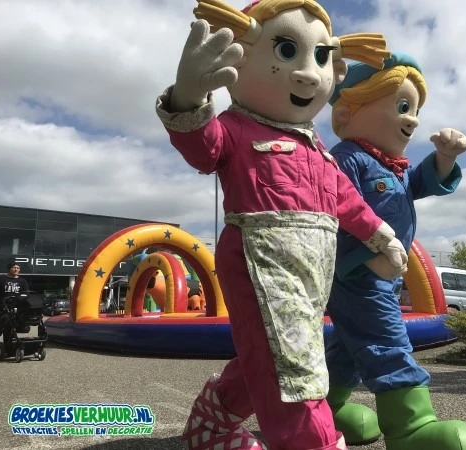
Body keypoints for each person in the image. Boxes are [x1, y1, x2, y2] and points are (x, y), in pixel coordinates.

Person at [155, 1, 409, 448]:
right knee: (293, 364)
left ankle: (212, 422)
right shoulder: (236, 128)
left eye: (321, 56)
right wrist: (187, 99)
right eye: (287, 51)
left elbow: (346, 200)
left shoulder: (318, 148)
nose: (308, 74)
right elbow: (202, 149)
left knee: (273, 351)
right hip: (261, 264)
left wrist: (380, 235)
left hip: (310, 275)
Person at [324, 54, 466, 449]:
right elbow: (338, 206)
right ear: (348, 112)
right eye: (401, 106)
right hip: (357, 274)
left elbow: (422, 181)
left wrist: (445, 157)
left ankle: (325, 410)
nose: (412, 120)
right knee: (387, 340)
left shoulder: (391, 168)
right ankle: (410, 428)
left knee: (348, 345)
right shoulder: (348, 158)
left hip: (382, 275)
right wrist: (369, 252)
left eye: (414, 109)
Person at [0, 261, 30, 354]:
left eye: (18, 268)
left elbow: (26, 295)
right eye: (14, 267)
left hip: (14, 308)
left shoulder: (22, 281)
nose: (16, 269)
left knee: (10, 328)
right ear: (9, 268)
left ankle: (7, 349)